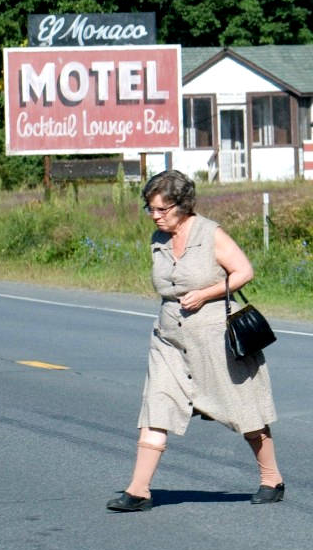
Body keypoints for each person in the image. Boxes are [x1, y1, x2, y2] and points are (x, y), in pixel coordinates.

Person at [107, 169, 284, 511]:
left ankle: (271, 479)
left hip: (214, 338)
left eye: (162, 209)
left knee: (244, 409)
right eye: (150, 209)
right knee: (156, 407)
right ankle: (138, 490)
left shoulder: (210, 233)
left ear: (183, 205)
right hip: (169, 338)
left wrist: (205, 294)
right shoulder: (157, 240)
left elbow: (244, 271)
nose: (155, 216)